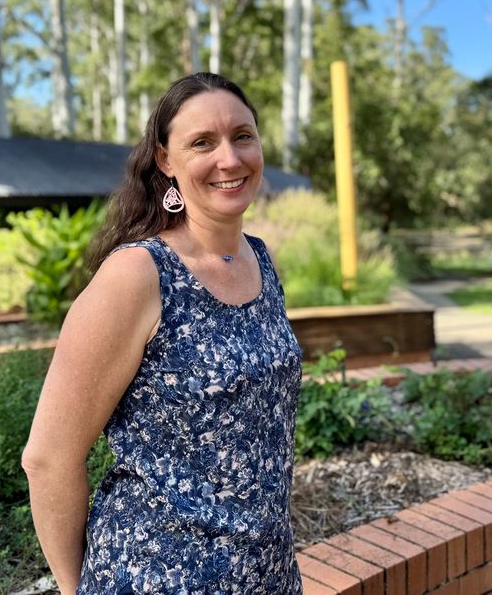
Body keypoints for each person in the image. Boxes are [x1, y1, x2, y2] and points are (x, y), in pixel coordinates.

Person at [21, 73, 304, 594]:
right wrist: (71, 588)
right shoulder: (137, 275)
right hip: (155, 576)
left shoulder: (258, 258)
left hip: (268, 574)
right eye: (202, 142)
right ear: (165, 160)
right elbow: (47, 458)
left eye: (243, 135)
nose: (230, 158)